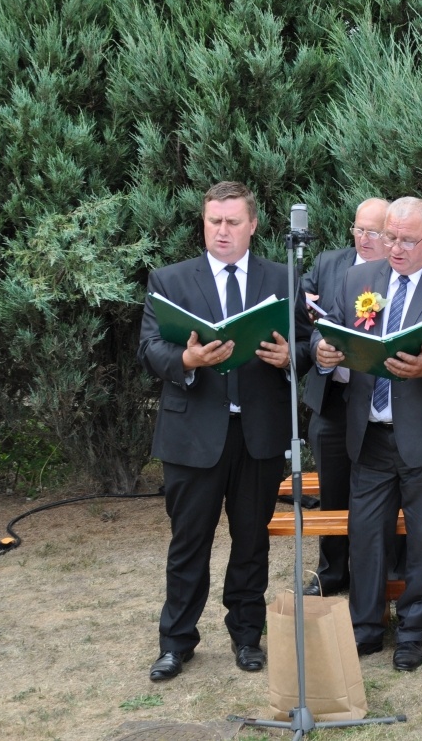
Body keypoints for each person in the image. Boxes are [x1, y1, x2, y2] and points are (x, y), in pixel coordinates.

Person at [138, 181, 311, 682]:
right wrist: (187, 360)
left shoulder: (283, 277)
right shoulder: (170, 279)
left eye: (233, 222)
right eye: (214, 221)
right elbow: (149, 347)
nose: (222, 230)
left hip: (259, 432)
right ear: (204, 222)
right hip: (192, 434)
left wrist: (290, 357)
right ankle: (176, 643)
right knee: (188, 543)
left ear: (252, 225)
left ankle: (247, 636)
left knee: (252, 542)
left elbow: (308, 344)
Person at [313, 197, 422, 672]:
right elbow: (325, 330)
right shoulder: (358, 278)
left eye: (407, 240)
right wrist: (323, 352)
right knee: (365, 536)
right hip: (369, 435)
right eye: (389, 236)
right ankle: (366, 629)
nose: (394, 247)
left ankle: (412, 632)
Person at [300, 197, 389, 597]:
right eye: (358, 228)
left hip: (378, 402)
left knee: (379, 491)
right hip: (332, 398)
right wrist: (316, 339)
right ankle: (332, 571)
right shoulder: (328, 263)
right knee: (333, 490)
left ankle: (383, 572)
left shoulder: (399, 272)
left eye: (374, 231)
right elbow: (301, 304)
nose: (363, 238)